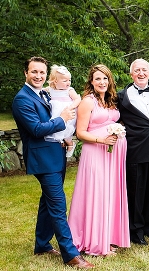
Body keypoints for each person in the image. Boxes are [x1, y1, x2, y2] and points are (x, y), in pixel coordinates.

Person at [12, 56, 94, 268]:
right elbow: (37, 130)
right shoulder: (22, 99)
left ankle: (42, 244)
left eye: (41, 72)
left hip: (57, 153)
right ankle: (71, 254)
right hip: (43, 158)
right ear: (26, 73)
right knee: (58, 205)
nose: (38, 76)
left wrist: (65, 137)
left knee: (47, 202)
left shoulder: (41, 94)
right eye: (34, 72)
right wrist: (63, 119)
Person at [68, 64, 130, 256]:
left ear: (109, 80)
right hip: (95, 153)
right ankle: (94, 242)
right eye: (98, 79)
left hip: (112, 156)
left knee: (109, 194)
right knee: (97, 194)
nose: (102, 82)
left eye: (105, 78)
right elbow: (80, 133)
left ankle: (107, 237)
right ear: (91, 82)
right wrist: (102, 139)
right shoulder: (88, 101)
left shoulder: (111, 101)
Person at [117, 58, 149, 245]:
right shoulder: (121, 96)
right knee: (136, 192)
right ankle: (135, 231)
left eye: (144, 70)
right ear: (131, 74)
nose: (141, 73)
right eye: (137, 70)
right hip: (135, 151)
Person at [43, 65, 81, 157]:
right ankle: (59, 143)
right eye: (65, 81)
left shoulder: (69, 90)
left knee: (67, 131)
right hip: (56, 114)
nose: (68, 83)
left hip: (68, 112)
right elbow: (41, 90)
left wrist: (71, 107)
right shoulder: (51, 89)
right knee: (56, 130)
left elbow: (78, 99)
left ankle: (70, 144)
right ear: (55, 81)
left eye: (69, 80)